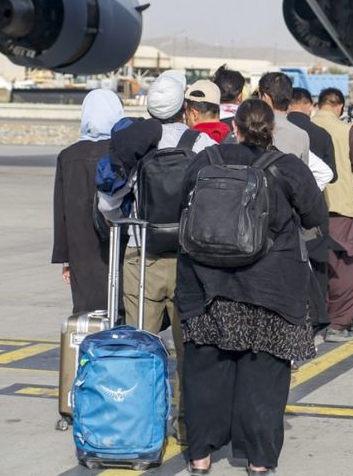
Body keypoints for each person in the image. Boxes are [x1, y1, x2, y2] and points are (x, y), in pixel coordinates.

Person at [177, 99, 327, 474]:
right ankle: (258, 460)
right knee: (264, 375)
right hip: (270, 288)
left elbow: (183, 203)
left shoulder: (207, 159)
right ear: (271, 131)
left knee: (205, 369)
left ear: (235, 127)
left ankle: (200, 454)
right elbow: (315, 216)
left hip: (209, 283)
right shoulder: (288, 167)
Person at [98, 71, 216, 445]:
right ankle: (187, 428)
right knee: (189, 351)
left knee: (141, 347)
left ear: (148, 107)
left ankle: (141, 425)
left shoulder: (136, 143)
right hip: (188, 260)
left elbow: (108, 203)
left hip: (142, 256)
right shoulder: (199, 144)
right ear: (185, 108)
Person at [52, 89, 124, 313]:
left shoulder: (67, 156)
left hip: (80, 248)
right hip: (117, 242)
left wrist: (65, 258)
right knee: (120, 310)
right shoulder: (122, 153)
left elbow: (60, 211)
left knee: (86, 313)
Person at [312, 89, 353, 343]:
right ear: (339, 107)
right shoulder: (347, 130)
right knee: (348, 272)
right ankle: (338, 323)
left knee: (316, 269)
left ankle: (315, 322)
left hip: (311, 209)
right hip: (341, 208)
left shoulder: (306, 127)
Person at [288, 87, 338, 178]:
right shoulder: (322, 134)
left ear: (288, 104)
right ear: (310, 105)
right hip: (313, 188)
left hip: (280, 189)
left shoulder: (275, 129)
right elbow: (332, 176)